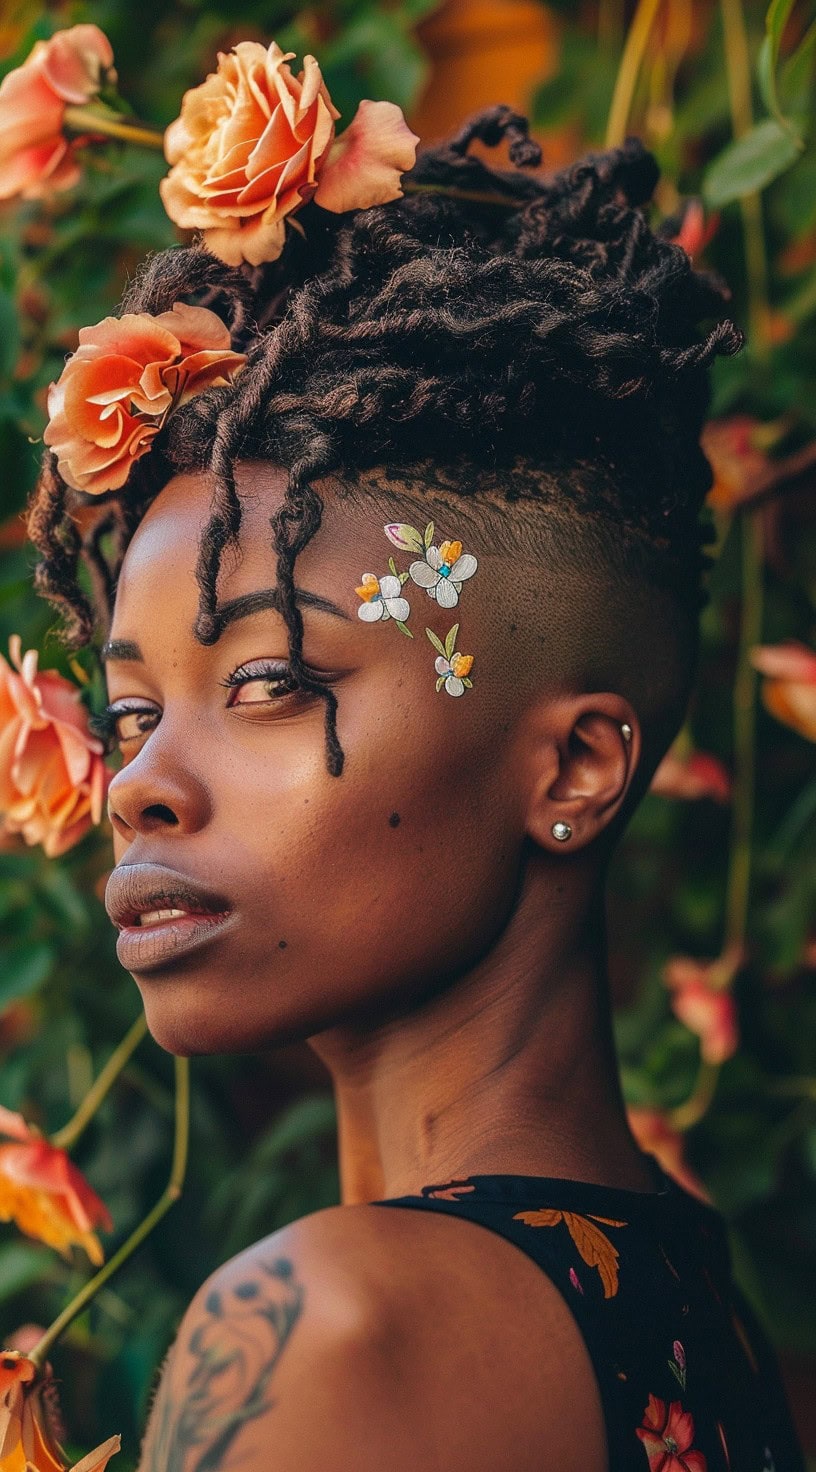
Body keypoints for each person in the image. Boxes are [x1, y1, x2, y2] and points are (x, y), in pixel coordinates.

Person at [26, 109, 804, 1472]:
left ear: (573, 768)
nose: (140, 784)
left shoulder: (331, 1330)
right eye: (132, 711)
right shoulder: (703, 1332)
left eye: (272, 682)